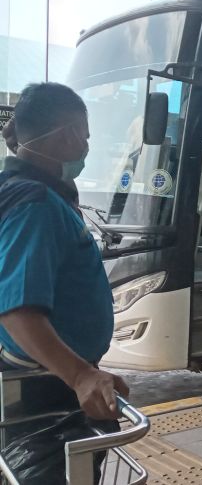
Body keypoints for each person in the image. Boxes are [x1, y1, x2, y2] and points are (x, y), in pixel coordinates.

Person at [0, 82, 129, 483]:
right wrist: (80, 376)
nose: (87, 147)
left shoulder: (27, 191)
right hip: (48, 388)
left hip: (43, 377)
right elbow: (17, 309)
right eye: (86, 136)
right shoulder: (35, 203)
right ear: (70, 134)